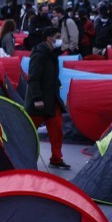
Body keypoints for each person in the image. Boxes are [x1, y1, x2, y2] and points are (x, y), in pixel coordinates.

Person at [26, 26, 70, 170]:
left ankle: (56, 158)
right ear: (49, 38)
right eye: (57, 36)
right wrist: (37, 98)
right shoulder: (39, 54)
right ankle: (25, 157)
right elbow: (33, 78)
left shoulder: (52, 54)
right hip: (38, 101)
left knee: (57, 130)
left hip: (51, 99)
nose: (60, 39)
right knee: (29, 132)